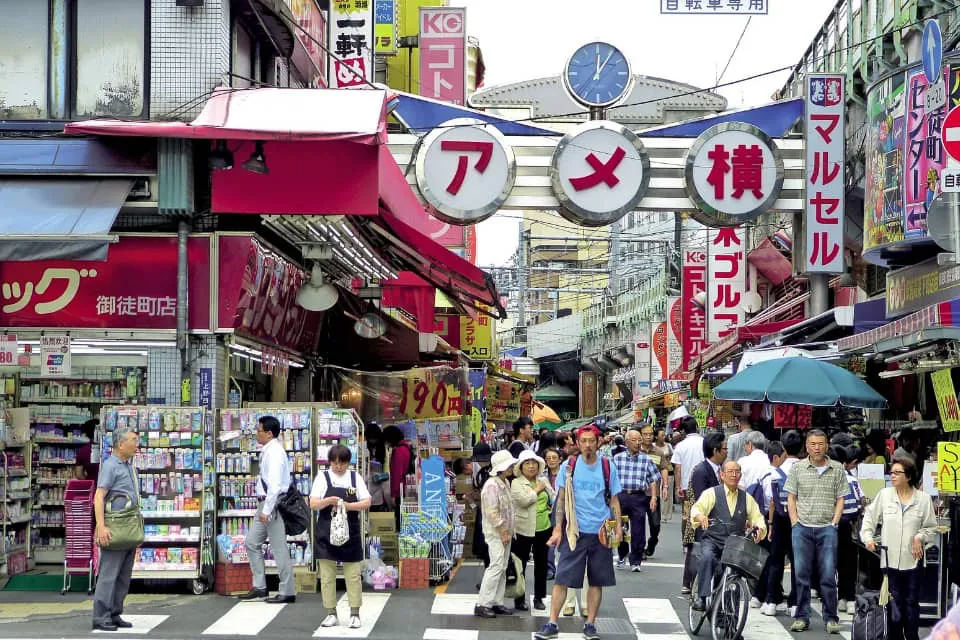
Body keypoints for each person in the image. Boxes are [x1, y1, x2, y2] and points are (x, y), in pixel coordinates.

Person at [536, 425, 622, 640]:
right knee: (562, 578)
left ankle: (590, 624)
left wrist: (618, 527)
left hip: (600, 531)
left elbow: (614, 500)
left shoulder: (607, 466)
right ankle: (552, 622)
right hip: (574, 530)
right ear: (577, 442)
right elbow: (561, 500)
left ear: (598, 441)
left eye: (591, 440)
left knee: (596, 580)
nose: (587, 445)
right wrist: (557, 528)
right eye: (583, 441)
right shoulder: (569, 465)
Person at [860, 456, 938, 640]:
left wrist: (920, 537)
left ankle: (912, 637)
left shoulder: (923, 499)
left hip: (913, 560)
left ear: (908, 476)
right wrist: (868, 538)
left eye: (897, 472)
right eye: (891, 472)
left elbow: (930, 528)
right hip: (890, 560)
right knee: (894, 604)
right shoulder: (885, 495)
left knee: (911, 603)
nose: (892, 476)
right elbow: (869, 519)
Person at [785, 429, 848, 634]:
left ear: (827, 445)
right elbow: (791, 497)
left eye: (821, 444)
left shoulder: (837, 468)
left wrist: (834, 522)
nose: (817, 448)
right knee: (801, 575)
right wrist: (795, 522)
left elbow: (841, 498)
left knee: (828, 575)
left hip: (827, 529)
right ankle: (802, 616)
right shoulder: (798, 468)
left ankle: (831, 617)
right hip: (802, 528)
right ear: (807, 446)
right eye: (813, 444)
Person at [689, 460, 766, 611]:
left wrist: (759, 529)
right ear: (722, 475)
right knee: (707, 558)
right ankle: (702, 597)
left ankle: (731, 622)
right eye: (730, 471)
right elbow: (697, 509)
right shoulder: (711, 493)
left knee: (736, 576)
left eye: (737, 472)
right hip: (713, 539)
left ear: (741, 475)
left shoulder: (746, 498)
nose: (734, 475)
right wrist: (700, 517)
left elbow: (757, 517)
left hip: (735, 545)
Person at [310, 445, 371, 629]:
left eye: (342, 463)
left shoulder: (354, 477)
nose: (338, 467)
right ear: (330, 462)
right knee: (327, 576)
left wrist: (348, 506)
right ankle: (331, 613)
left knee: (353, 574)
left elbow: (367, 501)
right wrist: (328, 501)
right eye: (335, 463)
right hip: (326, 532)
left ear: (348, 462)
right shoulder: (323, 477)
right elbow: (313, 503)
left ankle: (354, 613)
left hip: (350, 531)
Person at [239, 415, 296, 604]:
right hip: (265, 504)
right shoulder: (269, 450)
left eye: (259, 431)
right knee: (251, 542)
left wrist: (267, 510)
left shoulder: (274, 453)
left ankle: (287, 590)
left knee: (279, 548)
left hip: (273, 505)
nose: (257, 434)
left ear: (269, 433)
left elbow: (275, 484)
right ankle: (260, 586)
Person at [92, 425, 140, 631]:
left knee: (123, 575)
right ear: (121, 444)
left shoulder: (127, 465)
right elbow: (99, 496)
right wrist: (101, 527)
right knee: (109, 574)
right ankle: (101, 617)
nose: (137, 444)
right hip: (115, 527)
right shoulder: (111, 465)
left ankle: (114, 613)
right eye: (133, 440)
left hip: (128, 527)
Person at [762, 429, 803, 617]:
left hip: (779, 519)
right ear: (803, 448)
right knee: (797, 562)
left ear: (784, 448)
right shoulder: (805, 471)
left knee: (776, 560)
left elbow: (771, 501)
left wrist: (770, 524)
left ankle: (771, 601)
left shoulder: (775, 473)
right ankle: (795, 603)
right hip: (800, 520)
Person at [475, 450, 518, 619]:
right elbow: (492, 512)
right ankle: (483, 603)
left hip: (504, 531)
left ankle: (496, 601)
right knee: (496, 566)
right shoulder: (492, 485)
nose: (512, 466)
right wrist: (503, 531)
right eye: (510, 465)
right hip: (496, 532)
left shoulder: (504, 482)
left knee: (502, 567)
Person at [682, 432, 726, 594]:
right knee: (701, 553)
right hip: (705, 521)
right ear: (715, 451)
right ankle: (695, 588)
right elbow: (702, 500)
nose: (726, 451)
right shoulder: (702, 471)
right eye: (724, 448)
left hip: (715, 523)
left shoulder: (719, 469)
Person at [612, 428, 660, 571]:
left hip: (639, 496)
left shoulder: (646, 459)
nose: (638, 443)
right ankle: (622, 554)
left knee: (638, 530)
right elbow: (612, 480)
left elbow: (653, 479)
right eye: (634, 440)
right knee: (620, 526)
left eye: (640, 440)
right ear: (626, 442)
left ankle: (636, 561)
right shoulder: (617, 458)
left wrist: (653, 497)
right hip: (621, 496)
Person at [511, 450, 553, 611]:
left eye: (534, 463)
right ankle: (519, 598)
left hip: (543, 527)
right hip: (523, 529)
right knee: (519, 565)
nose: (531, 466)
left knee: (541, 565)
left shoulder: (543, 480)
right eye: (527, 463)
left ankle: (539, 597)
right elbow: (523, 501)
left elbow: (553, 497)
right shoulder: (516, 483)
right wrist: (537, 490)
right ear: (521, 467)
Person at [638, 425, 668, 557]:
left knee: (655, 524)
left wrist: (665, 486)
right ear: (641, 435)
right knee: (638, 524)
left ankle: (652, 541)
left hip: (653, 494)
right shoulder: (636, 451)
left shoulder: (658, 452)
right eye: (645, 434)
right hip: (638, 494)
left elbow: (664, 468)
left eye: (650, 434)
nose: (648, 437)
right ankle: (640, 549)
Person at [383, 425, 414, 530]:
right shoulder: (407, 448)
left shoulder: (399, 451)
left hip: (401, 491)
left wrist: (393, 495)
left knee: (399, 521)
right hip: (407, 489)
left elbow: (397, 475)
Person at [471, 443, 494, 572]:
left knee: (489, 547)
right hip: (485, 512)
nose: (480, 462)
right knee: (486, 547)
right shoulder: (483, 472)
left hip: (492, 513)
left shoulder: (491, 472)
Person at [653, 427, 674, 521]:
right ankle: (657, 512)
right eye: (662, 435)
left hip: (668, 471)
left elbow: (673, 458)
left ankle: (665, 515)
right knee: (657, 493)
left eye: (664, 434)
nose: (664, 436)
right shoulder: (652, 446)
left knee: (667, 493)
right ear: (656, 437)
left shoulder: (668, 446)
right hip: (656, 472)